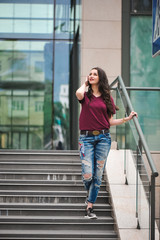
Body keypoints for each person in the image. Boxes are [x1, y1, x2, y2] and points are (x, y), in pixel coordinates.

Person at [75, 67, 137, 219]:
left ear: (100, 77)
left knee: (98, 175)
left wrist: (126, 119)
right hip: (86, 139)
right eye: (90, 74)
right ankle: (89, 198)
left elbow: (109, 121)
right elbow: (78, 93)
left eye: (95, 74)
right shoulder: (86, 95)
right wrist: (85, 83)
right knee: (88, 175)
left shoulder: (107, 97)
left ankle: (89, 206)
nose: (91, 76)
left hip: (103, 138)